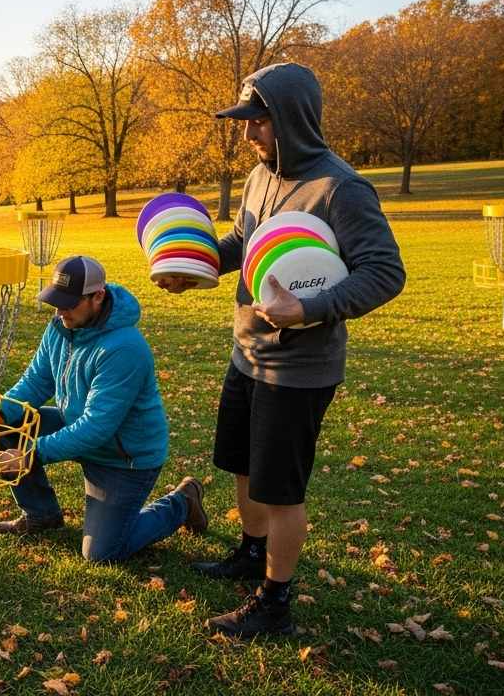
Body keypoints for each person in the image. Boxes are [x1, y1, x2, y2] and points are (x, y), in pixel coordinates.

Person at [160, 62, 405, 637]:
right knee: (243, 468)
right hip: (247, 353)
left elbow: (385, 271)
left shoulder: (339, 188)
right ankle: (251, 553)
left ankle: (275, 602)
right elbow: (244, 243)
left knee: (281, 489)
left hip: (298, 369)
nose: (249, 135)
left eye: (260, 122)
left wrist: (311, 307)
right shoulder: (258, 177)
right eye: (245, 122)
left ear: (292, 119)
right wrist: (192, 265)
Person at [0, 255, 207, 563]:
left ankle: (182, 502)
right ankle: (42, 515)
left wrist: (30, 454)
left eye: (69, 303)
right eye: (56, 302)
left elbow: (97, 427)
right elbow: (36, 383)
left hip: (122, 457)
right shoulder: (60, 327)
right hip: (74, 426)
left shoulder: (125, 348)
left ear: (98, 296)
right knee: (8, 425)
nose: (60, 311)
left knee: (102, 553)